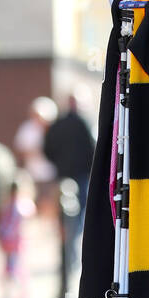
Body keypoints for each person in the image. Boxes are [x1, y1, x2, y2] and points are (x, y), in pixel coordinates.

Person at [42, 91, 95, 284]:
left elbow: (47, 149)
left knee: (65, 222)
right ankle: (70, 260)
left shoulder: (58, 124)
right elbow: (94, 150)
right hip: (80, 178)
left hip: (62, 178)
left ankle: (68, 259)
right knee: (77, 220)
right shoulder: (83, 123)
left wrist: (59, 165)